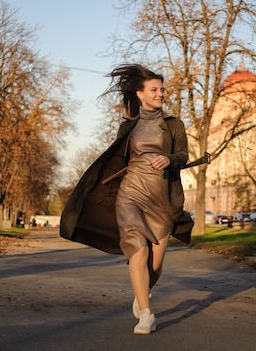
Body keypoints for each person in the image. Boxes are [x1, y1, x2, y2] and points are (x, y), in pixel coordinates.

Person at [59, 64, 193, 335]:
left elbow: (183, 156)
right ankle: (146, 315)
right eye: (154, 89)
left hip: (163, 200)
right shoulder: (128, 128)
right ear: (140, 94)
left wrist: (169, 158)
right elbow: (116, 159)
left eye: (162, 89)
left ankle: (141, 293)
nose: (161, 93)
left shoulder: (174, 125)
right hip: (130, 195)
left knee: (154, 265)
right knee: (137, 251)